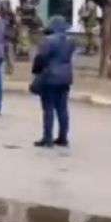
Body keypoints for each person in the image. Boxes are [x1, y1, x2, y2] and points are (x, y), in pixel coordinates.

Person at [31, 16, 76, 148]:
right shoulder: (71, 41)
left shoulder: (48, 41)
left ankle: (47, 138)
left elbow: (40, 58)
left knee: (48, 108)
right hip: (66, 76)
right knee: (62, 108)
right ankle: (63, 137)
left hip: (50, 76)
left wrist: (37, 71)